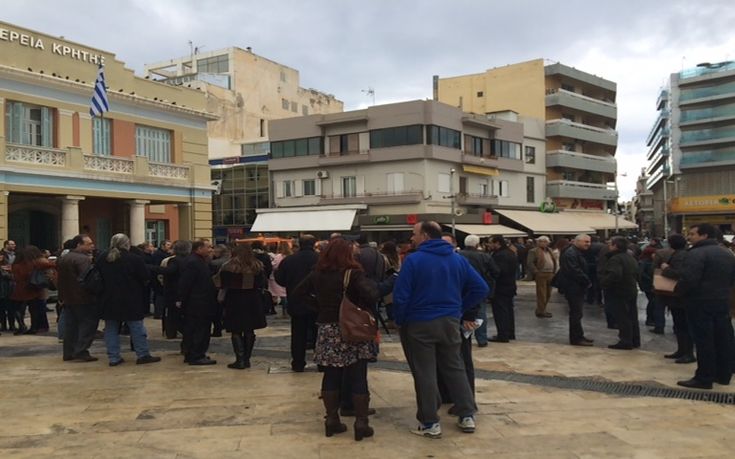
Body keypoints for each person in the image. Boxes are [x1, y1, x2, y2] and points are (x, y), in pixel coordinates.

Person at [393, 221, 489, 438]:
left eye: (414, 233)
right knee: (455, 368)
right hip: (449, 321)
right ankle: (466, 415)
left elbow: (401, 295)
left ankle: (430, 422)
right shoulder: (457, 259)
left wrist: (400, 319)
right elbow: (481, 288)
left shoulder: (413, 260)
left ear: (425, 236)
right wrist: (459, 309)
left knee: (425, 372)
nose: (411, 238)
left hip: (419, 322)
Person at [293, 238, 379, 441]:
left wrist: (319, 307)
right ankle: (361, 422)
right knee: (358, 374)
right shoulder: (353, 273)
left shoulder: (317, 273)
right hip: (352, 329)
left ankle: (332, 419)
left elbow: (298, 293)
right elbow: (372, 295)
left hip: (327, 328)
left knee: (330, 374)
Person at [670, 224, 735, 389]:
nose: (689, 237)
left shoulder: (696, 253)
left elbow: (689, 279)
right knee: (723, 339)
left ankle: (704, 377)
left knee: (704, 340)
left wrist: (678, 291)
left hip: (699, 303)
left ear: (704, 235)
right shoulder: (726, 253)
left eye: (692, 234)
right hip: (721, 302)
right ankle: (723, 375)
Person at [96, 234, 160, 366]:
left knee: (111, 328)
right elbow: (145, 276)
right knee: (136, 327)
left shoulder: (102, 257)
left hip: (108, 297)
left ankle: (113, 357)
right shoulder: (134, 258)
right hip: (131, 297)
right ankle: (142, 354)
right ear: (127, 244)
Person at [218, 244, 267, 369]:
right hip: (253, 300)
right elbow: (262, 283)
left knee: (236, 329)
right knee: (250, 329)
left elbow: (219, 282)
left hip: (235, 299)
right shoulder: (258, 266)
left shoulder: (228, 267)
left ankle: (239, 359)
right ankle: (247, 359)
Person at [274, 235, 319, 372]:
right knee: (319, 333)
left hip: (296, 300)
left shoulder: (289, 260)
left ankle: (298, 363)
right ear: (314, 244)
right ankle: (322, 362)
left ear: (299, 244)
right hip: (317, 301)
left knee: (298, 334)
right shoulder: (321, 259)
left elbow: (280, 279)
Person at [56, 234, 99, 362]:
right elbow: (87, 279)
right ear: (79, 245)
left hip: (68, 297)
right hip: (83, 298)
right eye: (89, 244)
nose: (92, 246)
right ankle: (81, 350)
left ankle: (68, 352)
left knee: (71, 326)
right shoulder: (83, 260)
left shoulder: (64, 258)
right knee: (88, 324)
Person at [178, 238, 218, 365]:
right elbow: (186, 283)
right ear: (199, 248)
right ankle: (196, 355)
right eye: (208, 247)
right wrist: (181, 299)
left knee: (195, 329)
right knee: (199, 329)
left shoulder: (199, 261)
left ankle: (192, 353)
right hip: (198, 302)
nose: (211, 249)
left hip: (199, 301)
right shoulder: (194, 262)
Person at [659, 234, 695, 363]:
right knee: (679, 325)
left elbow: (679, 274)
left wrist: (666, 268)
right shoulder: (683, 254)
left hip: (680, 296)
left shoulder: (680, 256)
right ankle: (682, 350)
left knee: (683, 325)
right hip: (678, 296)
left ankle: (687, 352)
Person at [599, 237, 640, 350]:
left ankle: (626, 341)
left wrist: (603, 283)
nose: (609, 247)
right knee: (632, 316)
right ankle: (634, 340)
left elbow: (615, 274)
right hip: (631, 289)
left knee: (622, 317)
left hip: (619, 291)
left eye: (610, 245)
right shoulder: (630, 257)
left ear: (615, 246)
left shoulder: (615, 259)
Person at [458, 234, 499, 347]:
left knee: (462, 312)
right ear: (477, 244)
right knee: (481, 313)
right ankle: (482, 339)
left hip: (462, 289)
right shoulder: (484, 256)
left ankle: (462, 337)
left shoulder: (458, 255)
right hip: (479, 288)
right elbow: (495, 271)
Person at [556, 234, 594, 346]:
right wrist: (587, 281)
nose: (588, 244)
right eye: (585, 242)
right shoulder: (571, 253)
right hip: (573, 287)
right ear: (576, 242)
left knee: (578, 313)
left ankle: (579, 336)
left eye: (589, 242)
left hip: (576, 286)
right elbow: (574, 270)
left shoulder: (576, 252)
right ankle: (576, 338)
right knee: (576, 313)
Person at [9, 245, 55, 335]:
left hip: (19, 289)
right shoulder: (36, 262)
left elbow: (14, 276)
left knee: (17, 309)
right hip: (33, 288)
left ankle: (21, 325)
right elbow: (53, 265)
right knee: (34, 309)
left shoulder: (16, 264)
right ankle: (34, 327)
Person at [155, 240, 191, 340]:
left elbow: (168, 271)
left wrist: (152, 268)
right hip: (186, 290)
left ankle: (171, 332)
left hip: (173, 291)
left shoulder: (174, 260)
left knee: (171, 313)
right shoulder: (191, 260)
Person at [487, 236, 518, 343]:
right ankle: (510, 333)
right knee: (508, 310)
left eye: (490, 243)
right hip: (510, 286)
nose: (489, 245)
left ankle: (503, 334)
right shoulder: (510, 252)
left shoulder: (500, 255)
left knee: (501, 312)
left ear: (497, 243)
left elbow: (498, 272)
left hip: (501, 287)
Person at [526, 236, 557, 318]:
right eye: (541, 241)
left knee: (548, 294)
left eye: (545, 241)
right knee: (541, 294)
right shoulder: (533, 251)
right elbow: (530, 262)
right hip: (541, 273)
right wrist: (536, 272)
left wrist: (554, 271)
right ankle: (541, 311)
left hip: (550, 273)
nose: (543, 243)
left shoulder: (550, 250)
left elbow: (554, 260)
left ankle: (543, 309)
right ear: (538, 242)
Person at [269, 242, 291, 317]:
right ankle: (288, 311)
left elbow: (274, 266)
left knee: (282, 295)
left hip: (279, 276)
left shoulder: (278, 256)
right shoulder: (291, 255)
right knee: (287, 293)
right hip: (289, 276)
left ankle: (284, 312)